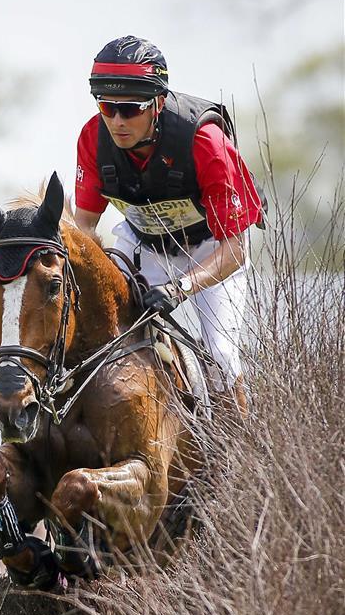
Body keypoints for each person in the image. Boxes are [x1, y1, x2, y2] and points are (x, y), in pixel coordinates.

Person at [75, 36, 265, 415]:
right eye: (107, 107)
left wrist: (180, 289)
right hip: (143, 243)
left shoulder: (206, 142)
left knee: (220, 355)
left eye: (130, 110)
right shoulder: (92, 138)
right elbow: (84, 229)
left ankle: (240, 452)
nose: (116, 121)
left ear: (158, 103)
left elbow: (236, 249)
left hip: (211, 250)